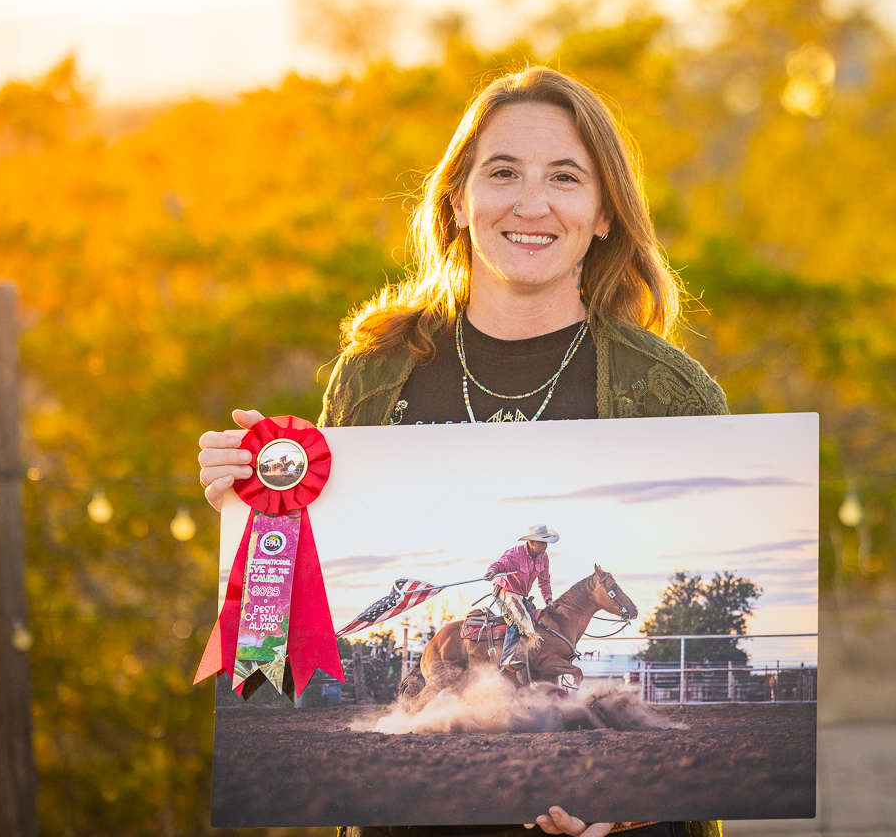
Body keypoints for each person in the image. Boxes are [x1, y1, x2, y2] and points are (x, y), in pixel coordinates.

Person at [198, 67, 726, 837]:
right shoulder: (375, 375)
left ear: (605, 213)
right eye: (503, 172)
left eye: (565, 178)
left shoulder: (672, 393)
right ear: (458, 200)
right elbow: (286, 609)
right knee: (515, 623)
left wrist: (632, 813)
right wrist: (249, 521)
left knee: (538, 621)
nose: (531, 203)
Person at [486, 524, 558, 669]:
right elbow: (500, 564)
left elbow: (544, 581)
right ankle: (506, 659)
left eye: (546, 542)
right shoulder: (514, 554)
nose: (545, 546)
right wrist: (492, 571)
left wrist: (548, 599)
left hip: (520, 595)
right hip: (505, 592)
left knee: (535, 618)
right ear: (531, 542)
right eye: (542, 542)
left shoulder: (543, 558)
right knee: (517, 620)